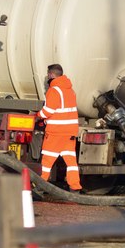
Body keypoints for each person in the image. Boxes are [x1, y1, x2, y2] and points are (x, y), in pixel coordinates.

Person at [36, 64, 82, 193]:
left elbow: (48, 110)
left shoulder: (54, 90)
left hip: (56, 131)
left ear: (51, 75)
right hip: (69, 132)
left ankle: (40, 187)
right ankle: (75, 187)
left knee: (47, 160)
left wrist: (37, 116)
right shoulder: (69, 90)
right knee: (71, 161)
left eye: (48, 75)